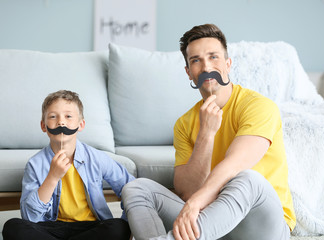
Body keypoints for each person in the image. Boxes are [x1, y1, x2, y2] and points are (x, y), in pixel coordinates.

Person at [121, 24, 296, 240]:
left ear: (228, 64)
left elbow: (234, 166)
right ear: (188, 73)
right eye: (196, 60)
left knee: (247, 178)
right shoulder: (184, 124)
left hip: (261, 226)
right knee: (136, 189)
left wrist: (195, 204)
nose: (206, 67)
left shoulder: (259, 106)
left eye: (213, 57)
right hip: (212, 225)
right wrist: (206, 133)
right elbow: (187, 192)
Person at [2, 90, 134, 240]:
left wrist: (126, 220)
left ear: (81, 124)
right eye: (53, 116)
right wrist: (52, 177)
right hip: (49, 228)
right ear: (43, 126)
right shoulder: (35, 164)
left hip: (91, 227)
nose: (61, 122)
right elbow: (29, 216)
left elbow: (131, 189)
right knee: (12, 227)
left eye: (68, 116)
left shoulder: (96, 158)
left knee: (119, 227)